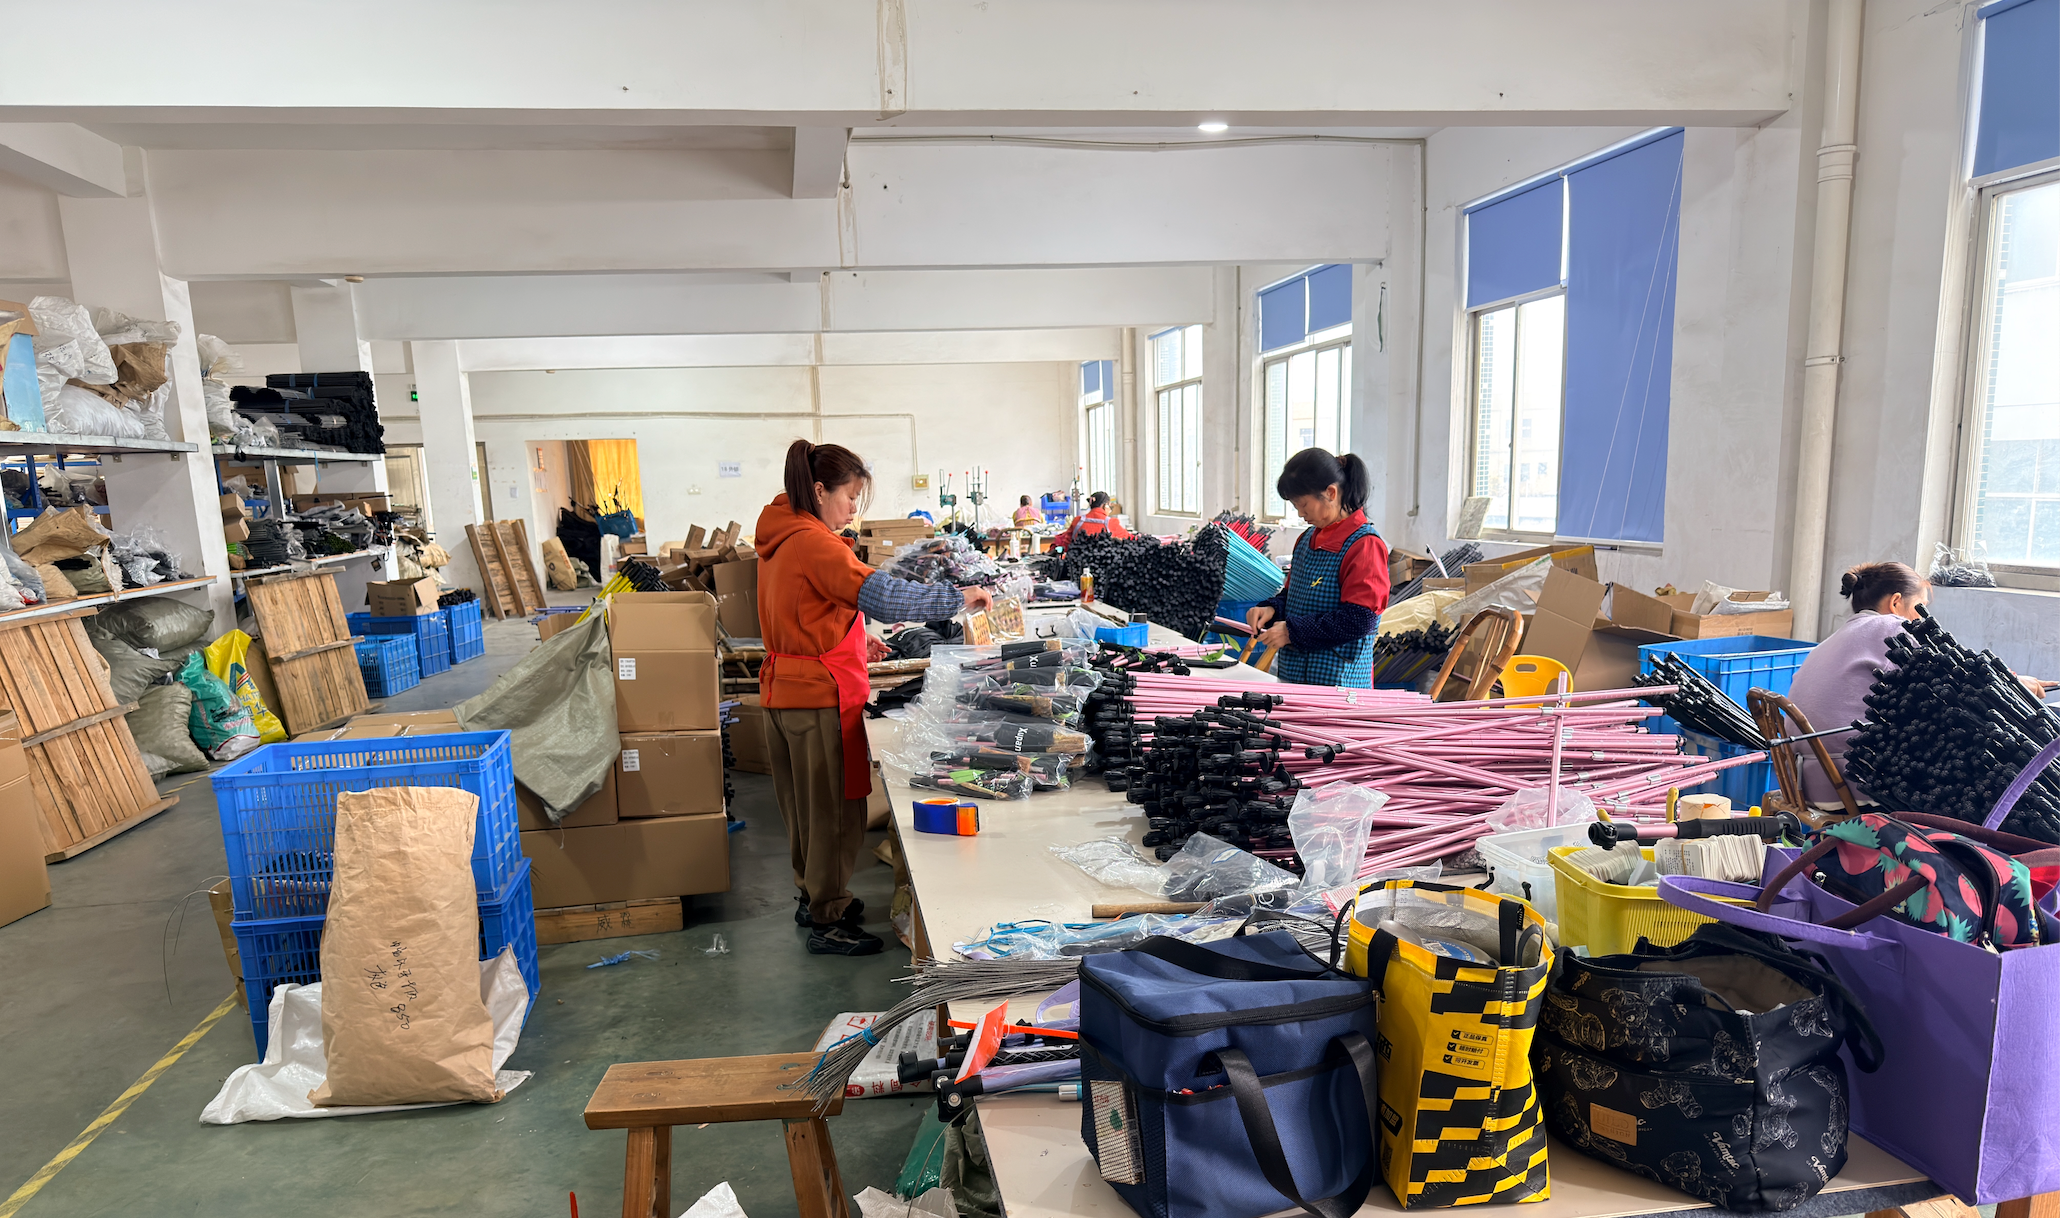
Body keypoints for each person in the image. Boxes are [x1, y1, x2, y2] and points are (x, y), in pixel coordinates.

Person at [756, 440, 994, 955]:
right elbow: (883, 595)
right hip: (817, 695)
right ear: (820, 491)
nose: (852, 511)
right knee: (833, 812)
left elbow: (800, 609)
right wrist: (956, 597)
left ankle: (813, 897)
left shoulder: (781, 534)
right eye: (849, 498)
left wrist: (851, 635)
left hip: (785, 689)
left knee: (803, 809)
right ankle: (828, 919)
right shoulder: (814, 542)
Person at [1787, 561, 2052, 809]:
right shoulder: (1892, 628)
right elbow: (1953, 684)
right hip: (1854, 783)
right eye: (1921, 606)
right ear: (1896, 602)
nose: (1922, 619)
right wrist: (2012, 685)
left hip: (1802, 784)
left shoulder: (1832, 640)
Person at [1247, 449, 1391, 687]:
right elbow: (1294, 597)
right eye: (1295, 506)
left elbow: (1359, 620)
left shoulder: (1364, 546)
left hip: (1340, 686)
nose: (1300, 514)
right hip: (1294, 676)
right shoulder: (1306, 540)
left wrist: (1293, 632)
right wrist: (1272, 609)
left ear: (1330, 493)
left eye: (1303, 504)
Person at [1054, 491, 1132, 547]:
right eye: (1110, 506)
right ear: (1105, 505)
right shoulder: (1111, 523)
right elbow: (1128, 538)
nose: (1110, 510)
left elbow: (1065, 542)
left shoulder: (1077, 521)